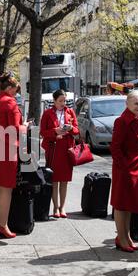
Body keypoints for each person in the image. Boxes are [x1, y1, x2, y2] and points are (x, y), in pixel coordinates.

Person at [0, 72, 26, 239]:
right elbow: (15, 129)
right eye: (15, 90)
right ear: (9, 88)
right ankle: (2, 225)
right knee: (6, 189)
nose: (16, 94)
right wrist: (25, 126)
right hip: (7, 148)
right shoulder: (10, 103)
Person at [111, 90, 138, 253]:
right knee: (121, 204)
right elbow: (115, 147)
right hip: (125, 168)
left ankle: (125, 236)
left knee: (130, 204)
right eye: (136, 103)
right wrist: (124, 166)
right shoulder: (122, 121)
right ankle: (122, 237)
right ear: (127, 103)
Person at [40, 89, 80, 219]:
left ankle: (62, 207)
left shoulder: (70, 112)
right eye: (60, 101)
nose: (63, 103)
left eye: (64, 100)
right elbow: (42, 132)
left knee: (65, 180)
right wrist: (54, 132)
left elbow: (76, 130)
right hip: (53, 149)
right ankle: (55, 207)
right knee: (54, 179)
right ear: (54, 101)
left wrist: (71, 128)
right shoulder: (47, 113)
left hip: (67, 149)